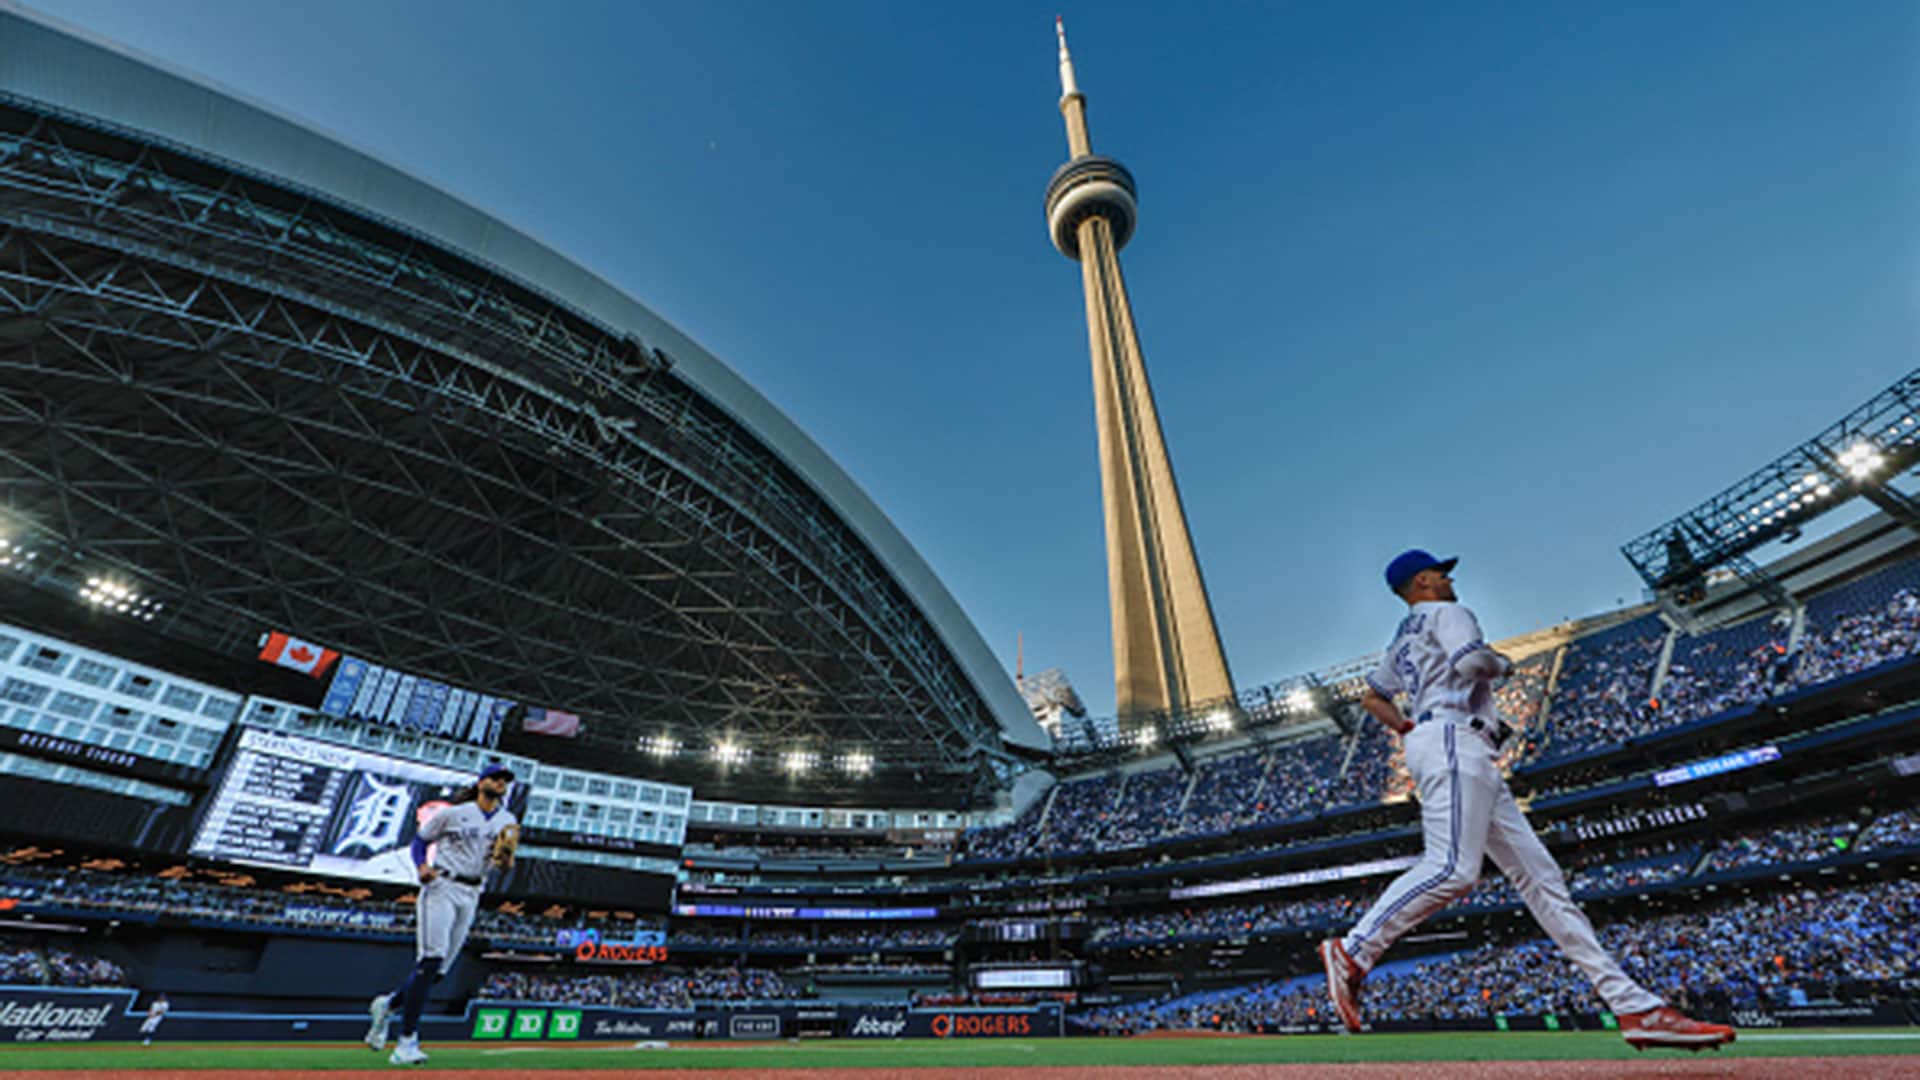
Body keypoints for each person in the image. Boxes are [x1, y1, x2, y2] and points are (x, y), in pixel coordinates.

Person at [1318, 550, 1735, 1051]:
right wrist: (1503, 665)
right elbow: (1473, 662)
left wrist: (1408, 727)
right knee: (1452, 868)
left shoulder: (1402, 636)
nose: (1450, 579)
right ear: (1424, 580)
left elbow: (1372, 698)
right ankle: (1354, 948)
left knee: (1544, 882)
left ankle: (1634, 1007)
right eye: (1442, 572)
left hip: (1456, 745)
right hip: (1454, 740)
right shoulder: (1448, 612)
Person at [366, 762, 519, 1065]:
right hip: (443, 884)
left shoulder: (507, 819)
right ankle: (406, 1043)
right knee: (431, 960)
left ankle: (389, 1004)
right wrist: (422, 866)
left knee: (439, 973)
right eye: (496, 777)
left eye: (505, 780)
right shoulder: (453, 813)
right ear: (481, 782)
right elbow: (420, 840)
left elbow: (504, 864)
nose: (501, 783)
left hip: (473, 891)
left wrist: (505, 861)